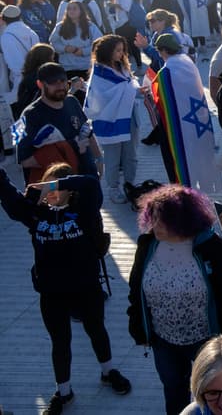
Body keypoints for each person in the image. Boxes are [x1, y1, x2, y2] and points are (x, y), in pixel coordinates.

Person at [0, 165, 132, 415]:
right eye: (46, 185)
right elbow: (9, 198)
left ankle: (108, 372)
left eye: (55, 187)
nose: (49, 192)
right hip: (52, 294)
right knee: (60, 342)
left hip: (87, 288)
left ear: (69, 190)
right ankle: (64, 392)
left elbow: (91, 183)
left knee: (96, 330)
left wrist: (52, 184)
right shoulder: (36, 214)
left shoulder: (84, 210)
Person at [127, 185, 222, 414]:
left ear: (181, 220)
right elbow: (135, 288)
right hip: (164, 340)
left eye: (161, 219)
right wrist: (138, 326)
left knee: (212, 392)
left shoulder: (213, 247)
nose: (154, 225)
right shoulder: (147, 245)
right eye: (152, 217)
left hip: (207, 340)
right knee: (173, 390)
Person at [150, 33, 222, 194]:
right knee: (196, 158)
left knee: (178, 159)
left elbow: (159, 97)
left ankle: (184, 194)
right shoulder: (187, 62)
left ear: (163, 51)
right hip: (196, 120)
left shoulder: (166, 72)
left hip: (179, 124)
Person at [16, 61, 101, 183]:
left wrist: (99, 159)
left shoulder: (72, 101)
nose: (60, 86)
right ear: (40, 84)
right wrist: (65, 149)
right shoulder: (28, 116)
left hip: (86, 177)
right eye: (53, 82)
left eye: (63, 81)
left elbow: (88, 131)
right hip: (53, 187)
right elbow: (24, 161)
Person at [83, 34, 139, 204]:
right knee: (113, 157)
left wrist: (137, 90)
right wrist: (130, 89)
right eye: (117, 50)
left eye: (122, 50)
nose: (121, 54)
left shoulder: (122, 66)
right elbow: (100, 96)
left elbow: (129, 85)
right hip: (110, 120)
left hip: (129, 117)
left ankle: (130, 185)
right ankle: (113, 188)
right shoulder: (99, 72)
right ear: (107, 52)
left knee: (131, 155)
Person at [48, 0, 102, 82]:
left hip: (86, 67)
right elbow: (53, 42)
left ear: (81, 11)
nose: (71, 11)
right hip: (67, 67)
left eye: (74, 8)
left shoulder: (91, 26)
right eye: (69, 9)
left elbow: (99, 43)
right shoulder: (60, 26)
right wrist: (64, 48)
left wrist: (83, 51)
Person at [1, 4, 41, 104]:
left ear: (3, 19)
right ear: (19, 16)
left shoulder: (6, 36)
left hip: (20, 80)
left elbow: (14, 64)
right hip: (35, 76)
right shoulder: (32, 32)